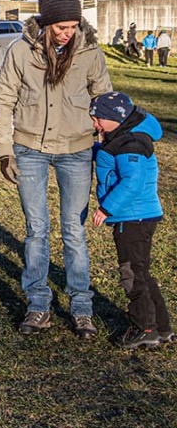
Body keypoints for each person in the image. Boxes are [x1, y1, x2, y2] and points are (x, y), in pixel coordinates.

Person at [0, 0, 111, 338]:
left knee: (74, 232)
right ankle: (38, 304)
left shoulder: (90, 51)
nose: (67, 33)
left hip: (76, 151)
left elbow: (104, 98)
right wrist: (4, 149)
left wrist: (105, 138)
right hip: (30, 148)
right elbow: (4, 100)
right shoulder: (19, 51)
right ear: (45, 23)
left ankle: (81, 308)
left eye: (73, 26)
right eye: (61, 26)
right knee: (37, 230)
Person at [89, 92, 172, 349]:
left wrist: (107, 209)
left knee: (131, 274)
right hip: (138, 215)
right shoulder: (120, 137)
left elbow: (132, 182)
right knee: (142, 272)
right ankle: (162, 328)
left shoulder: (130, 144)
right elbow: (108, 156)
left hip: (133, 217)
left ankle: (144, 328)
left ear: (115, 118)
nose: (95, 125)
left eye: (99, 119)